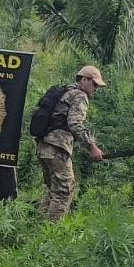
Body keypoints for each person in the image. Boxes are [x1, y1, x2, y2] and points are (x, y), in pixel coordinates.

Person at [36, 65, 107, 220]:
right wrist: (92, 147)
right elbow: (75, 124)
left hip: (44, 146)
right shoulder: (79, 96)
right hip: (57, 147)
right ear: (84, 79)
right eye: (94, 84)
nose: (95, 89)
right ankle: (52, 235)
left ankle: (38, 230)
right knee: (64, 191)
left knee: (51, 190)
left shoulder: (64, 92)